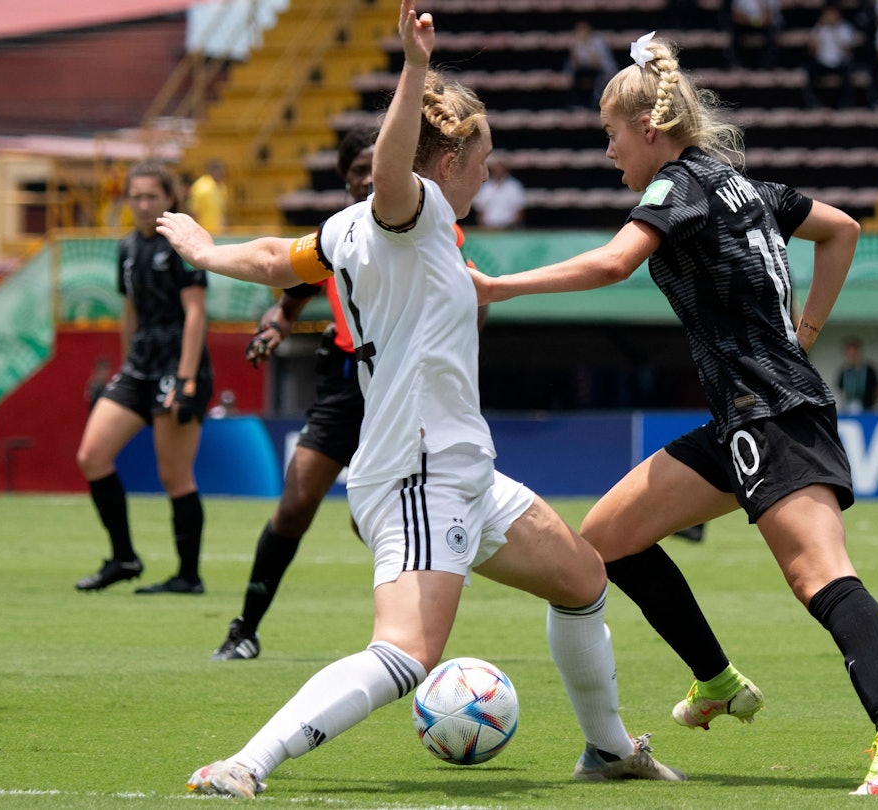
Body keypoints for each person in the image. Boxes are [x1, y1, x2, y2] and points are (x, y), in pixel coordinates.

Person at [157, 1, 684, 796]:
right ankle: (246, 763)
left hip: (461, 470)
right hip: (416, 474)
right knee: (407, 651)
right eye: (483, 158)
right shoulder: (415, 206)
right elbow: (393, 173)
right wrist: (411, 70)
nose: (488, 171)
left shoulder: (345, 230)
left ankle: (608, 749)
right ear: (450, 162)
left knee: (582, 580)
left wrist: (206, 249)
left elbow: (274, 256)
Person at [471, 32, 878, 795]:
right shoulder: (740, 185)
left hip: (773, 413)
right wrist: (809, 329)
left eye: (611, 136)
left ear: (649, 131)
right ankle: (717, 682)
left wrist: (498, 287)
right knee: (607, 540)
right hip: (746, 414)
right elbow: (842, 230)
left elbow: (611, 263)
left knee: (820, 577)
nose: (608, 153)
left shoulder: (678, 187)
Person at [209, 127, 375, 661]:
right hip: (344, 383)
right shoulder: (333, 236)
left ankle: (413, 628)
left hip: (398, 387)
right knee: (296, 503)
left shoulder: (420, 224)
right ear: (345, 179)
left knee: (371, 517)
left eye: (377, 164)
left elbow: (472, 292)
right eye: (357, 170)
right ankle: (245, 630)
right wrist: (275, 326)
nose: (369, 177)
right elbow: (290, 297)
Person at [74, 161, 213, 595]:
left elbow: (195, 312)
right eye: (136, 196)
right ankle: (124, 558)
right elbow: (129, 310)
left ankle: (188, 576)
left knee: (174, 476)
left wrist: (187, 380)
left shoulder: (182, 243)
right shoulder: (126, 247)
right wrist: (123, 366)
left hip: (177, 367)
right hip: (138, 368)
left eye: (152, 195)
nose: (143, 203)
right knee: (91, 456)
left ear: (170, 198)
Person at [803, 5, 860, 109]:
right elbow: (811, 52)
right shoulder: (819, 28)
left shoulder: (845, 28)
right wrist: (818, 31)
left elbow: (847, 51)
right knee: (809, 71)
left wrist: (835, 31)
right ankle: (814, 103)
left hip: (840, 63)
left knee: (849, 73)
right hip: (823, 63)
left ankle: (845, 104)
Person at [565, 20, 617, 109]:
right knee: (577, 77)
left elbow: (598, 62)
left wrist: (586, 48)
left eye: (583, 30)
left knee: (593, 78)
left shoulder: (598, 42)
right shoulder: (576, 43)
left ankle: (596, 102)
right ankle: (578, 102)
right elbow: (574, 63)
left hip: (603, 70)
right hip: (584, 71)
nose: (581, 33)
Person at [471, 158, 526, 230]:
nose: (499, 172)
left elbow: (519, 209)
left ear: (506, 170)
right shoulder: (486, 187)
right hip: (489, 228)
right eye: (496, 170)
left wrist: (513, 226)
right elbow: (480, 209)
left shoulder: (514, 186)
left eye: (501, 170)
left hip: (509, 228)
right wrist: (483, 227)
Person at [726, 0, 782, 69]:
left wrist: (762, 4)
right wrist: (754, 22)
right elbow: (736, 16)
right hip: (745, 29)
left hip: (765, 31)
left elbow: (768, 19)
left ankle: (767, 66)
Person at [836, 335, 878, 413]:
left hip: (867, 409)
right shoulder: (844, 372)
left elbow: (877, 390)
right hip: (848, 408)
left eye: (854, 352)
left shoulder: (869, 370)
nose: (852, 355)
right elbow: (839, 390)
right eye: (849, 353)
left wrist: (873, 405)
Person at [187, 158, 229, 232]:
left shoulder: (222, 187)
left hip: (218, 232)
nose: (223, 173)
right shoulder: (200, 187)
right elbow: (193, 212)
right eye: (220, 171)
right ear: (212, 171)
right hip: (204, 231)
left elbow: (222, 212)